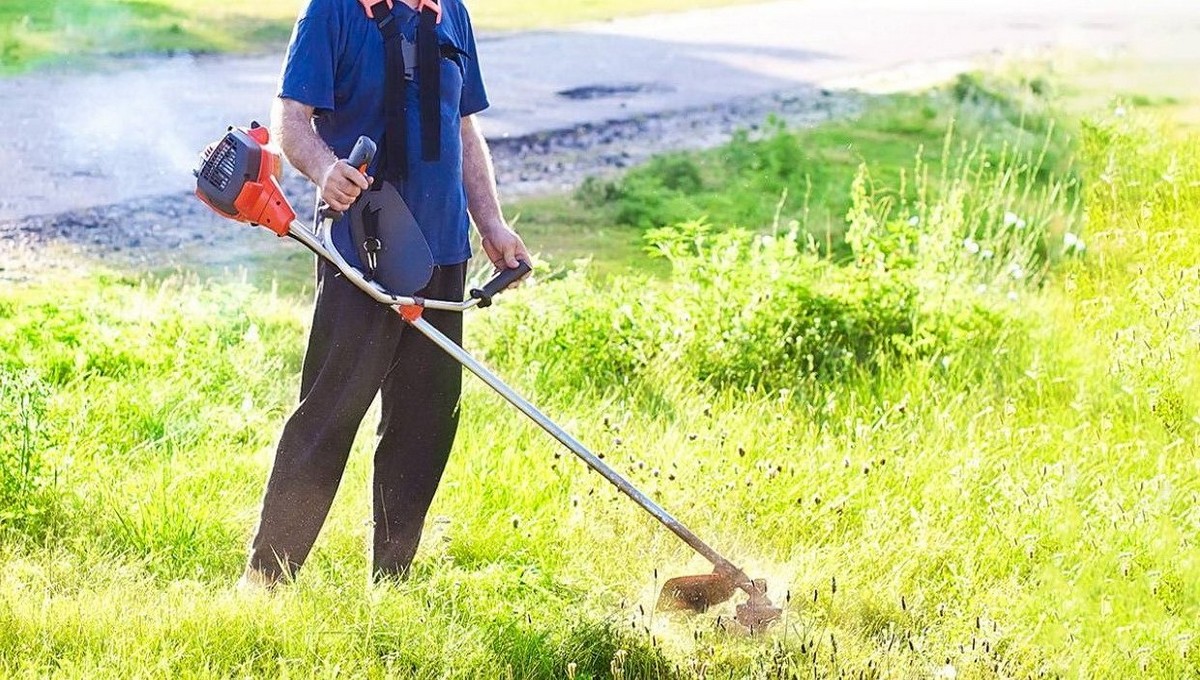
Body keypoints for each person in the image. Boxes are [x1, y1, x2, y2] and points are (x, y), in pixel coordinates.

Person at [240, 0, 529, 587]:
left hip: (445, 250)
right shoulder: (333, 12)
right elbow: (292, 117)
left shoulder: (452, 12)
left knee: (424, 423)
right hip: (363, 253)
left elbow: (464, 126)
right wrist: (324, 169)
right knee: (327, 415)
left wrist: (491, 223)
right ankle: (265, 583)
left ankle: (392, 582)